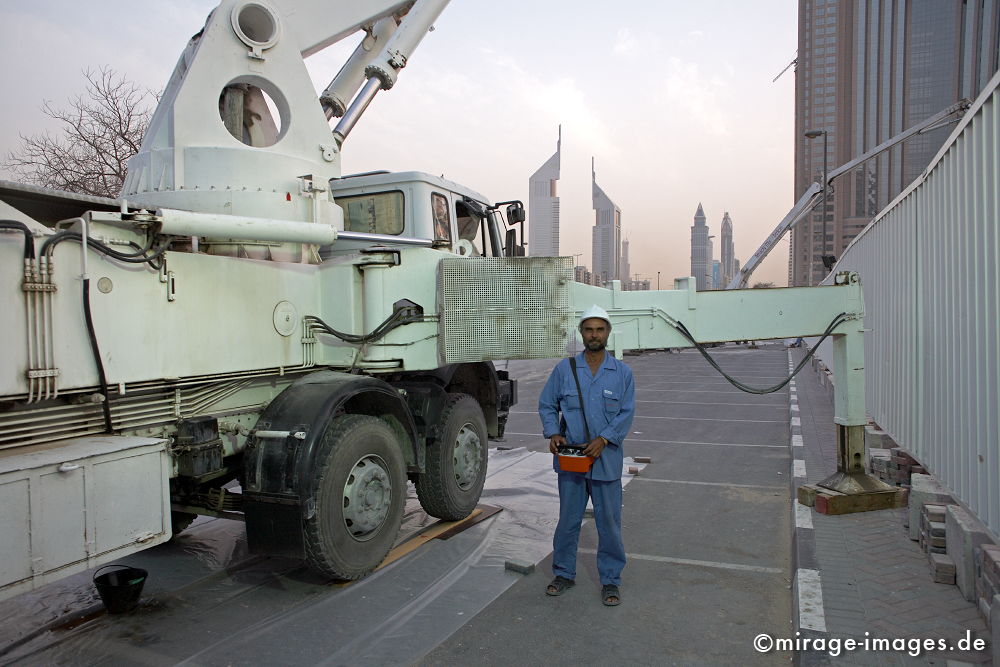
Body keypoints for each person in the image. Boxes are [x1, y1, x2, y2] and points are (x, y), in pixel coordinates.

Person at [538, 304, 635, 606]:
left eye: (600, 329)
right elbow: (546, 405)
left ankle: (610, 580)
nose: (594, 335)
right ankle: (564, 573)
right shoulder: (564, 370)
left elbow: (626, 412)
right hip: (572, 461)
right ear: (581, 333)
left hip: (605, 461)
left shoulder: (622, 373)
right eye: (589, 329)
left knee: (609, 523)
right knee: (568, 520)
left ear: (608, 333)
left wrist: (605, 439)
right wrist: (553, 432)